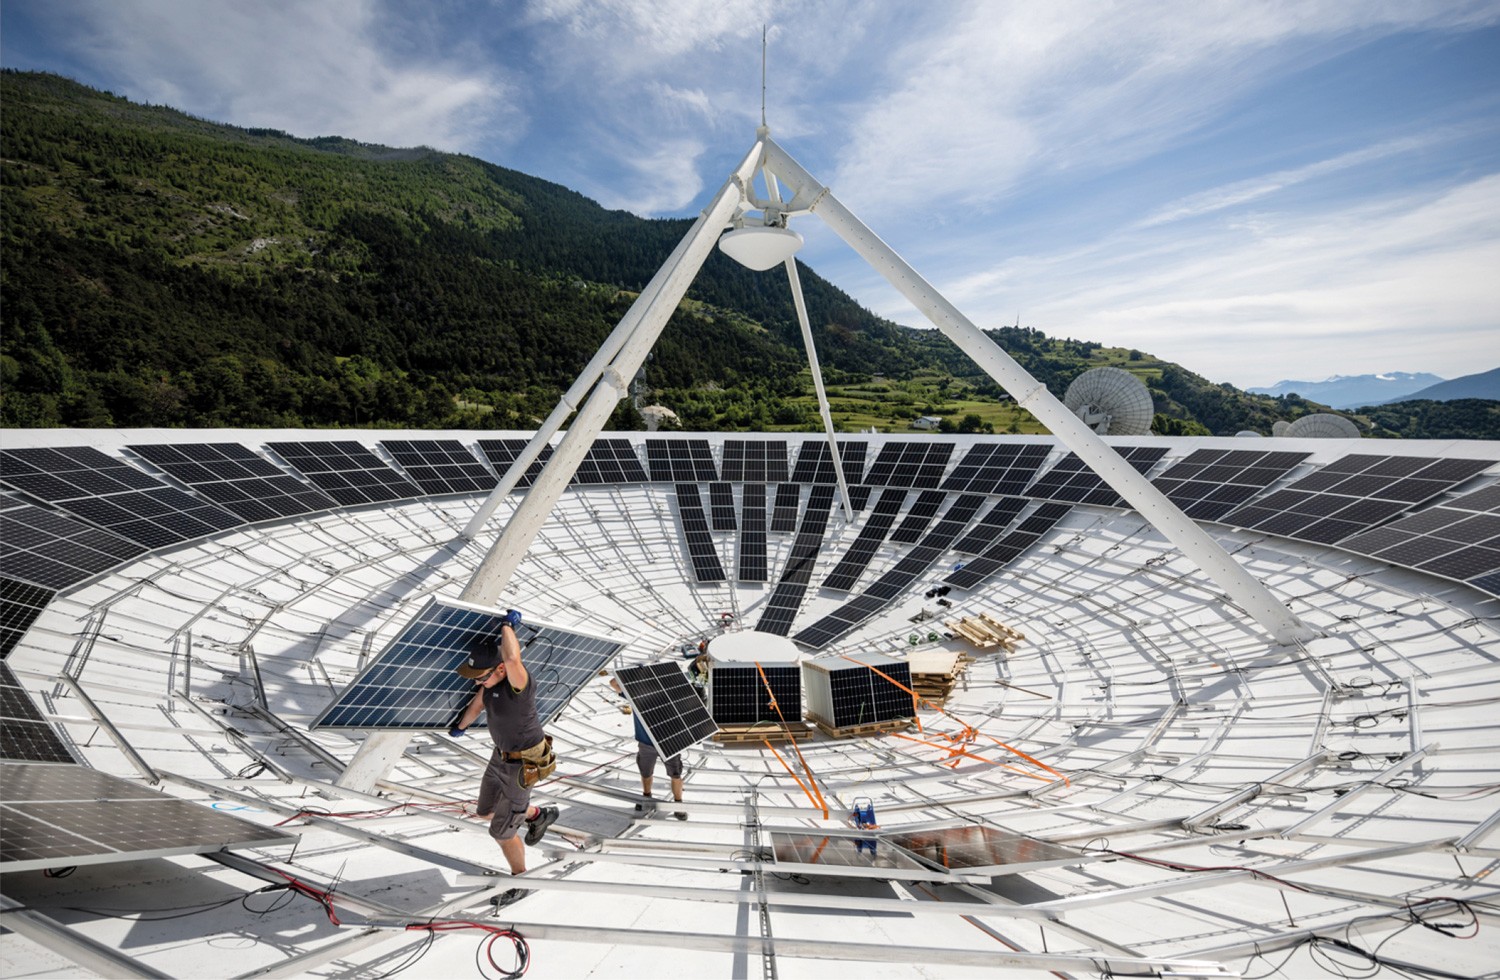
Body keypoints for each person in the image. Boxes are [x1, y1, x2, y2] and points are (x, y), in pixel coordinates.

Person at [452, 609, 559, 882]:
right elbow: (477, 705)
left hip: (524, 765)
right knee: (486, 811)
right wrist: (461, 727)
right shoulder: (487, 686)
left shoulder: (520, 687)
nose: (477, 682)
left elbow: (512, 658)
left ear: (500, 669)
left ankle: (520, 879)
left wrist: (507, 627)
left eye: (481, 677)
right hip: (499, 757)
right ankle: (537, 815)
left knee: (501, 832)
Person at [611, 674, 687, 820]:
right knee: (645, 772)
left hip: (669, 741)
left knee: (675, 774)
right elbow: (614, 683)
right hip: (646, 742)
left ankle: (679, 805)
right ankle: (647, 798)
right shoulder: (636, 694)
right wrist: (631, 673)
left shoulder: (670, 695)